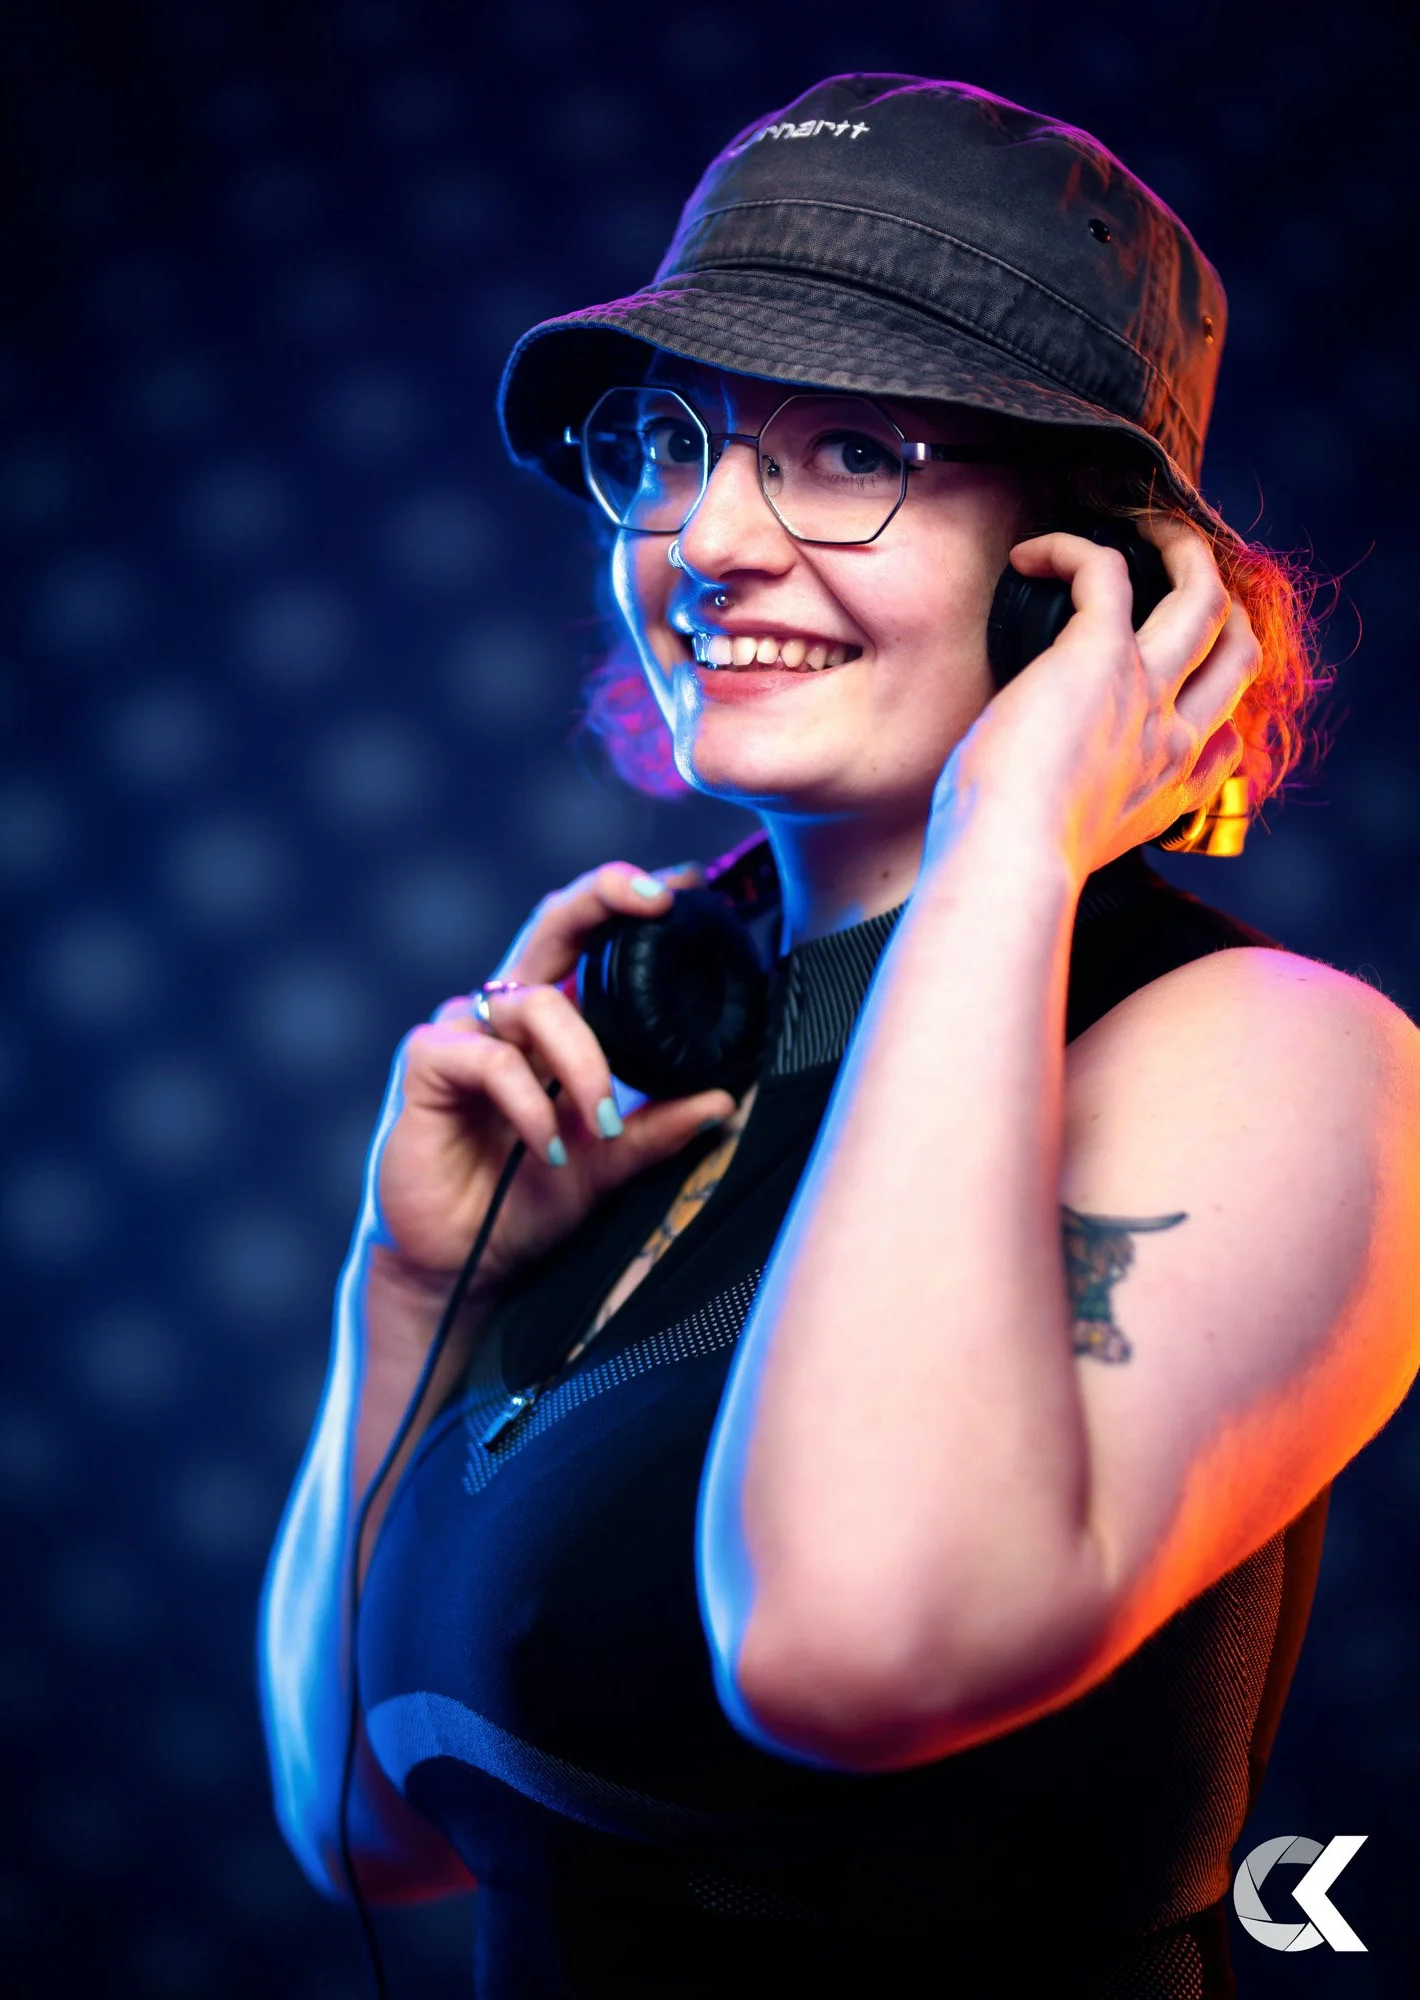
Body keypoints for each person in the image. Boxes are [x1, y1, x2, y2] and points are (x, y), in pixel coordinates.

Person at [258, 75, 1420, 1998]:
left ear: (1088, 578)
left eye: (850, 447)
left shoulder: (1290, 1064)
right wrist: (410, 1294)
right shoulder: (646, 1071)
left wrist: (1012, 844)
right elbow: (368, 1833)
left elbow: (854, 1645)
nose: (706, 537)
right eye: (680, 442)